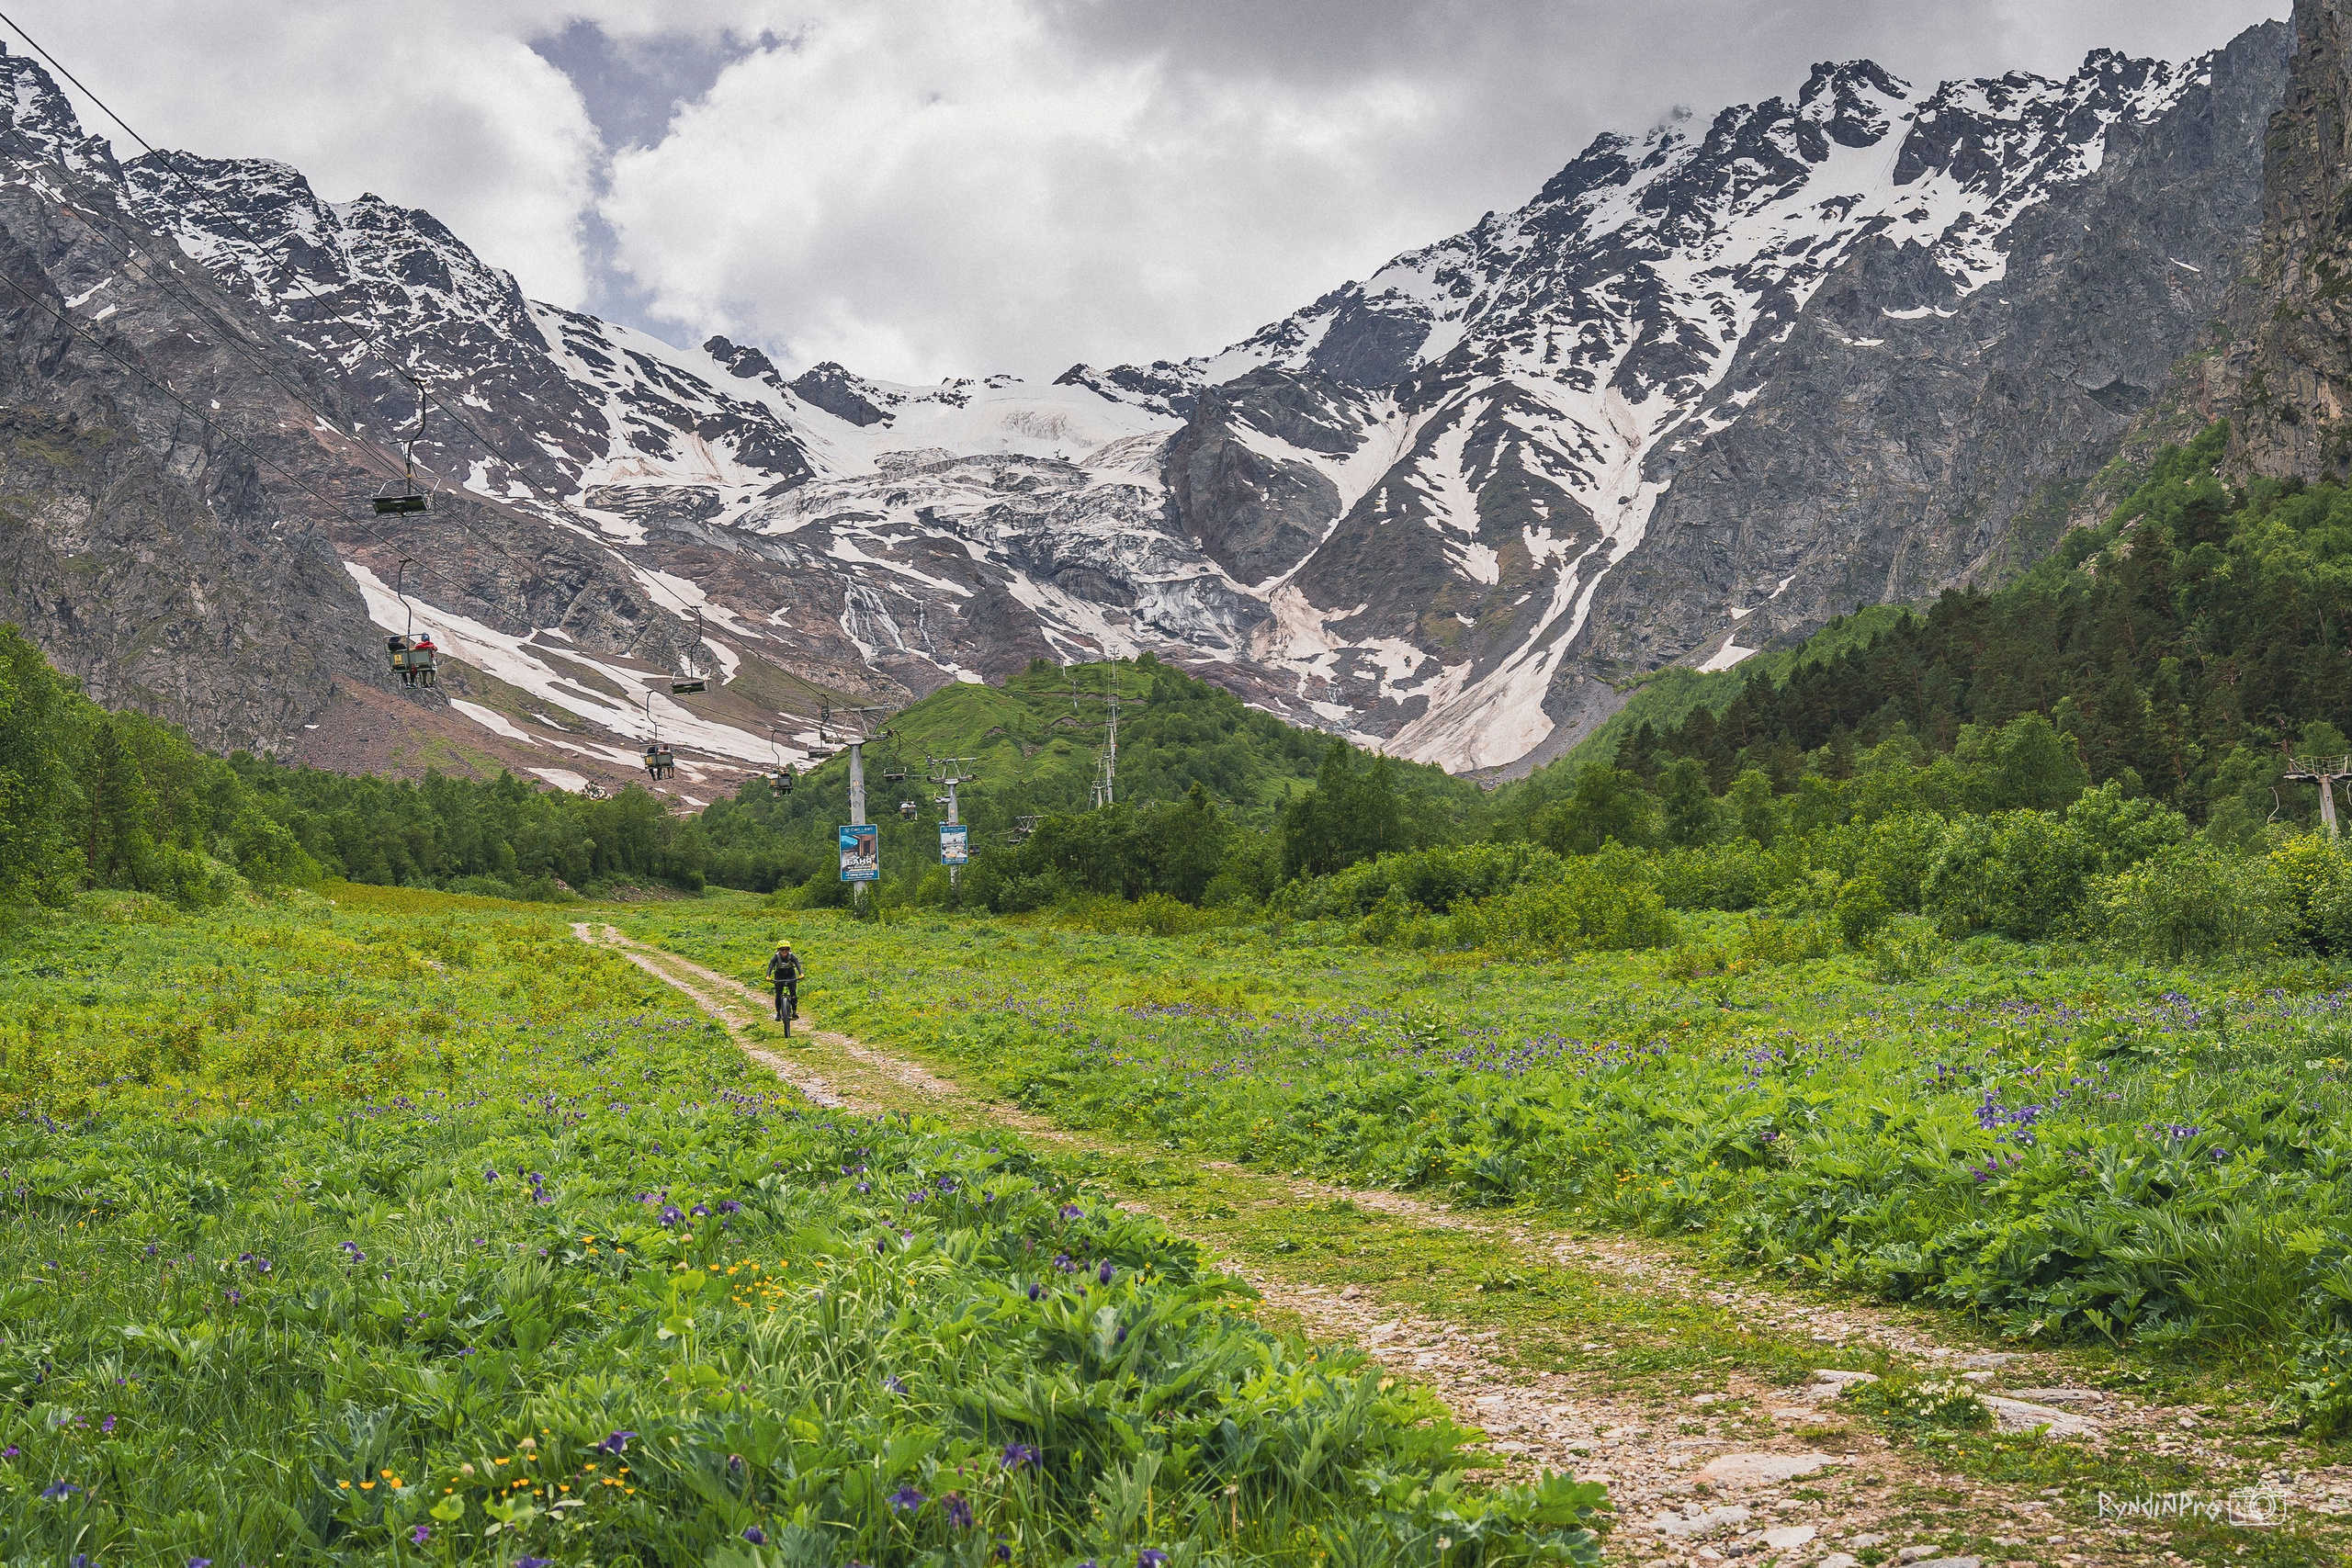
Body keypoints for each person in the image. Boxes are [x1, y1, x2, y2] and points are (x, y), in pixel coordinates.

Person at [766, 939, 802, 1029]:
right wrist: (768, 975)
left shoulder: (791, 956)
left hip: (791, 975)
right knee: (778, 995)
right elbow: (770, 966)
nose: (784, 951)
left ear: (789, 950)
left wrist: (801, 974)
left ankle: (794, 1012)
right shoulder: (776, 957)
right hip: (779, 976)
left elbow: (797, 964)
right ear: (779, 950)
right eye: (782, 949)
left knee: (793, 994)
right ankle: (778, 1013)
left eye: (786, 949)